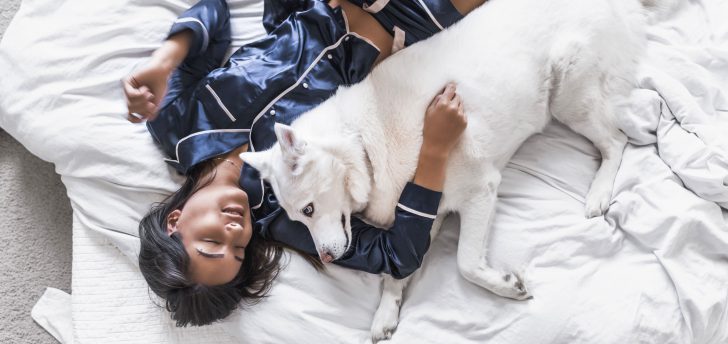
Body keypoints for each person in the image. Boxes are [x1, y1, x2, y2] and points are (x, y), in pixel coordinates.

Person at [124, 0, 479, 327]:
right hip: (407, 25)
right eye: (237, 251)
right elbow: (399, 254)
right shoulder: (287, 214)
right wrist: (435, 149)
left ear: (175, 221)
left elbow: (214, 11)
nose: (234, 234)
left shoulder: (174, 125)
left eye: (211, 240)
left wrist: (165, 60)